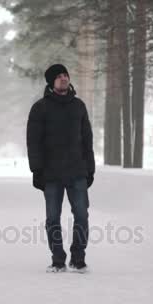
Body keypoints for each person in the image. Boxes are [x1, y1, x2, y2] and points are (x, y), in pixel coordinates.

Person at [26, 64, 95, 273]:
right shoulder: (40, 108)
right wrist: (36, 170)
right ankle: (58, 260)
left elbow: (87, 140)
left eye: (66, 75)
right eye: (59, 77)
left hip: (77, 172)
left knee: (82, 216)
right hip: (51, 174)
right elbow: (33, 142)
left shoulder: (79, 106)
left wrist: (89, 169)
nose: (64, 79)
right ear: (51, 82)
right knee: (53, 218)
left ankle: (78, 258)